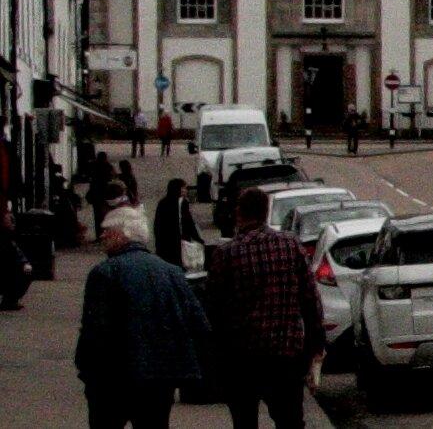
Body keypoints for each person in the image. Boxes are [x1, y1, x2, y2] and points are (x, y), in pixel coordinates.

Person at [75, 206, 211, 429]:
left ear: (122, 234)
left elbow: (94, 329)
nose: (102, 236)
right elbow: (198, 323)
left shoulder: (105, 273)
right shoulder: (172, 272)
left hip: (113, 378)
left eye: (107, 231)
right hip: (160, 379)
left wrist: (85, 367)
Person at [208, 188, 325, 429]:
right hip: (285, 354)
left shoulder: (227, 254)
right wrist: (315, 343)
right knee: (290, 421)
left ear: (239, 214)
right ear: (266, 212)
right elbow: (310, 299)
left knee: (244, 421)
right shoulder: (290, 245)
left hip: (242, 357)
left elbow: (214, 309)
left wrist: (217, 356)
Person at [154, 178, 204, 269]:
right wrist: (198, 238)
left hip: (173, 242)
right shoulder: (175, 203)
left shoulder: (167, 202)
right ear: (177, 189)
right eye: (184, 188)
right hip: (174, 242)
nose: (186, 190)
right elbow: (188, 222)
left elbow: (188, 222)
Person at [0, 209, 32, 310]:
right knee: (21, 274)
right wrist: (24, 263)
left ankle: (10, 299)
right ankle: (10, 300)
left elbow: (16, 253)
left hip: (8, 268)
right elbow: (14, 253)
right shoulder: (7, 237)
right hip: (7, 270)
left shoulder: (9, 237)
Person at [86, 155, 116, 239]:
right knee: (106, 215)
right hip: (105, 194)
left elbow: (90, 178)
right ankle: (106, 234)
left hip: (96, 194)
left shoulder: (94, 166)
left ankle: (99, 235)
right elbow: (113, 177)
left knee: (97, 216)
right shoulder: (108, 167)